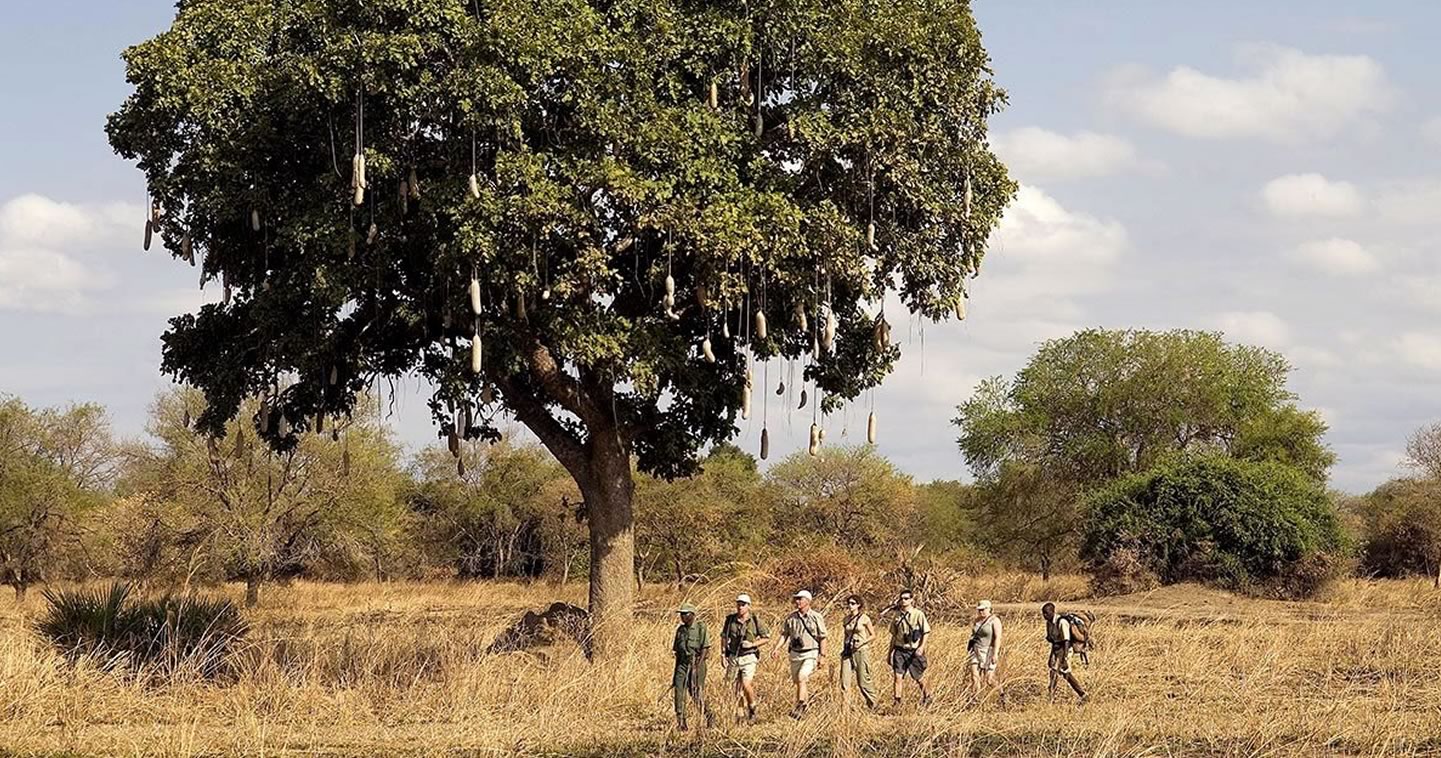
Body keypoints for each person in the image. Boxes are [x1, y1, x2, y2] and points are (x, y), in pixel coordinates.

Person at [770, 589, 827, 719]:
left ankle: (799, 705)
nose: (797, 601)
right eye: (797, 599)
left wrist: (822, 656)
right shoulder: (791, 618)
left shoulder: (816, 617)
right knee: (799, 682)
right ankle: (804, 708)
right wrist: (777, 648)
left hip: (810, 652)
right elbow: (785, 634)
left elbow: (823, 637)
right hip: (795, 653)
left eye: (800, 599)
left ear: (808, 601)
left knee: (802, 676)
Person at [721, 593, 769, 723]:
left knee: (746, 684)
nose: (740, 607)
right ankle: (740, 714)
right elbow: (724, 637)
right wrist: (723, 654)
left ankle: (752, 707)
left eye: (743, 605)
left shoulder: (755, 620)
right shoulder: (730, 620)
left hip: (749, 656)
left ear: (748, 606)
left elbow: (766, 638)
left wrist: (752, 644)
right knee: (735, 687)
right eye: (738, 604)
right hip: (734, 656)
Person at [886, 589, 932, 707]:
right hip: (900, 649)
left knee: (918, 677)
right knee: (898, 676)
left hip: (913, 651)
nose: (903, 601)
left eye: (906, 598)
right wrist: (889, 653)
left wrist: (921, 647)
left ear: (912, 600)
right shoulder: (897, 615)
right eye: (902, 598)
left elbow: (926, 632)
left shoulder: (918, 614)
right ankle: (897, 702)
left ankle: (927, 696)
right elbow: (894, 636)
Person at [671, 602, 712, 730]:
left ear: (692, 615)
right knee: (679, 691)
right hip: (682, 664)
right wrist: (676, 673)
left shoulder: (701, 628)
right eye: (681, 614)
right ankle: (681, 721)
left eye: (685, 614)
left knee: (695, 692)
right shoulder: (680, 630)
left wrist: (696, 667)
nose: (682, 617)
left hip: (697, 663)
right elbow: (677, 651)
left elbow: (705, 649)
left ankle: (708, 715)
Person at [1042, 602, 1088, 704]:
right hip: (1056, 648)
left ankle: (1052, 696)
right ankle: (1081, 694)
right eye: (1043, 613)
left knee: (1059, 671)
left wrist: (1065, 656)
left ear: (1052, 612)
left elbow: (1066, 640)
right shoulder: (1049, 623)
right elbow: (1052, 639)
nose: (1044, 615)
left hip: (1065, 648)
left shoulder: (1062, 622)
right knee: (1060, 672)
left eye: (1046, 613)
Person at [839, 594, 879, 709]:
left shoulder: (864, 618)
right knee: (844, 681)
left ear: (858, 605)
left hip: (861, 651)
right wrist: (844, 649)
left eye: (853, 603)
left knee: (863, 681)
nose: (850, 606)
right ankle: (845, 708)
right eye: (849, 603)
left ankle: (873, 703)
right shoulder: (846, 619)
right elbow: (845, 635)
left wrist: (862, 642)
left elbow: (873, 635)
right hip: (848, 651)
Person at [968, 599, 1003, 699]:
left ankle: (1001, 694)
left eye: (983, 609)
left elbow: (997, 638)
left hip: (988, 650)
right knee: (975, 676)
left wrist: (995, 653)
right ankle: (976, 699)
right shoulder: (976, 620)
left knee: (989, 679)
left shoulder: (995, 621)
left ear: (989, 609)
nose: (981, 611)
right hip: (976, 650)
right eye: (979, 610)